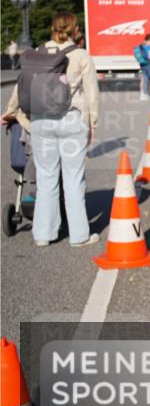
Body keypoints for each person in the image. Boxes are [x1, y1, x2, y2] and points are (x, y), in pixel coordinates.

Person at [25, 12, 100, 247]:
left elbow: (23, 86)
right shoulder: (80, 55)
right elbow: (92, 95)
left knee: (46, 178)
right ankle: (79, 236)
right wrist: (92, 124)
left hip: (40, 121)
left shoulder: (38, 52)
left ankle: (43, 234)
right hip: (71, 120)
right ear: (74, 29)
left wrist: (14, 114)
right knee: (73, 179)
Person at [135, 34, 150, 99]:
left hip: (142, 64)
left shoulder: (141, 46)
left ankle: (144, 94)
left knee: (145, 78)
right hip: (148, 64)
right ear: (149, 40)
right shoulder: (149, 47)